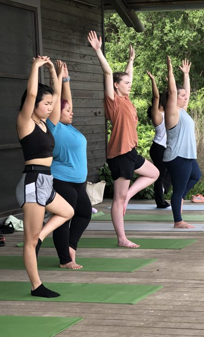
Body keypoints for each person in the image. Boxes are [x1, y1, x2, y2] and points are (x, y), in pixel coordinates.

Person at [88, 31, 159, 248]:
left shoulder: (126, 99)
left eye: (129, 82)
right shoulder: (113, 101)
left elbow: (126, 76)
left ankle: (128, 195)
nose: (130, 84)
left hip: (130, 152)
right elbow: (109, 73)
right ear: (116, 86)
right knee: (117, 200)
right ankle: (121, 238)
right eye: (125, 83)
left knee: (154, 173)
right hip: (119, 155)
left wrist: (131, 61)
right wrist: (98, 51)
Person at [16, 56, 74, 297]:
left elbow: (58, 95)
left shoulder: (45, 124)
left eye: (52, 104)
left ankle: (40, 236)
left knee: (67, 211)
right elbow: (31, 96)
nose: (51, 107)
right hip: (32, 181)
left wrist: (53, 72)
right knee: (29, 242)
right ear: (35, 104)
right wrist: (35, 67)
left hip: (45, 181)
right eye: (46, 103)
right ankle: (36, 286)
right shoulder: (25, 122)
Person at [46, 60, 91, 269]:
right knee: (62, 219)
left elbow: (66, 101)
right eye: (67, 111)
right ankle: (65, 259)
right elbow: (58, 102)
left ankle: (71, 247)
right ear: (57, 112)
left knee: (84, 213)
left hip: (78, 182)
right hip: (62, 180)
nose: (71, 112)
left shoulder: (70, 127)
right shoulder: (54, 127)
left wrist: (66, 80)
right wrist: (56, 77)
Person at [163, 57, 201, 228]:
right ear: (174, 98)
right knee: (178, 189)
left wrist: (186, 75)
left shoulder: (183, 111)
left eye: (186, 95)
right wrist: (170, 71)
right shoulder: (172, 113)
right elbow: (172, 92)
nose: (186, 97)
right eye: (182, 95)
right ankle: (178, 220)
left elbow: (186, 92)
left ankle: (178, 199)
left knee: (196, 175)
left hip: (187, 155)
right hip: (177, 156)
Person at [147, 71, 171, 209]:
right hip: (158, 148)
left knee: (169, 172)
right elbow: (156, 96)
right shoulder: (157, 114)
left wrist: (168, 85)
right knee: (159, 175)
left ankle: (162, 190)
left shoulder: (167, 113)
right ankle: (159, 201)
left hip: (164, 148)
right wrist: (153, 80)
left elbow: (169, 95)